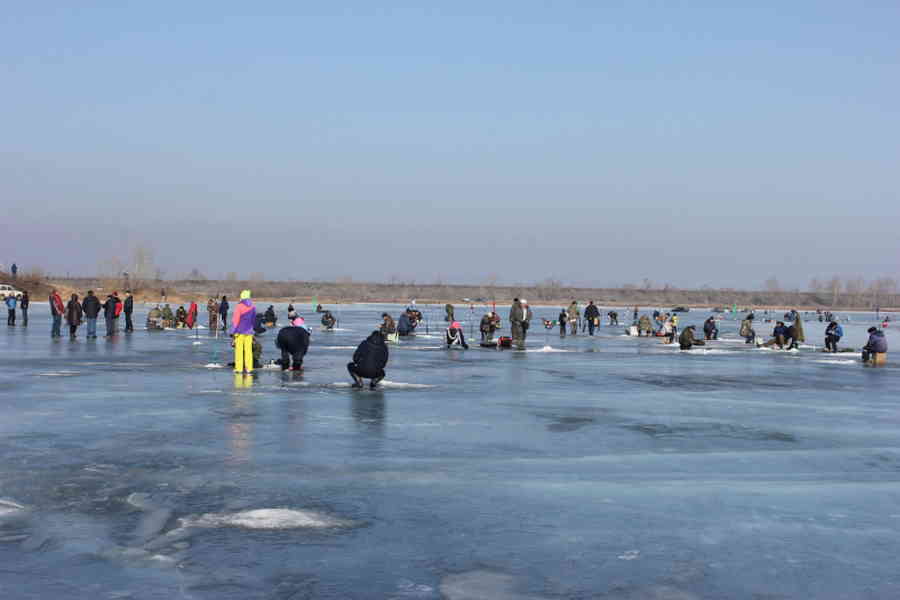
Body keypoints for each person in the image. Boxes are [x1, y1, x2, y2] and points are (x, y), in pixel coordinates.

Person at [230, 290, 257, 374]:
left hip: (239, 331)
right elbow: (253, 320)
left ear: (242, 297)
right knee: (248, 351)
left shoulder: (239, 306)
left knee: (239, 351)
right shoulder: (253, 306)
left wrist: (232, 331)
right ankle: (249, 368)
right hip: (249, 332)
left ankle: (239, 368)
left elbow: (235, 320)